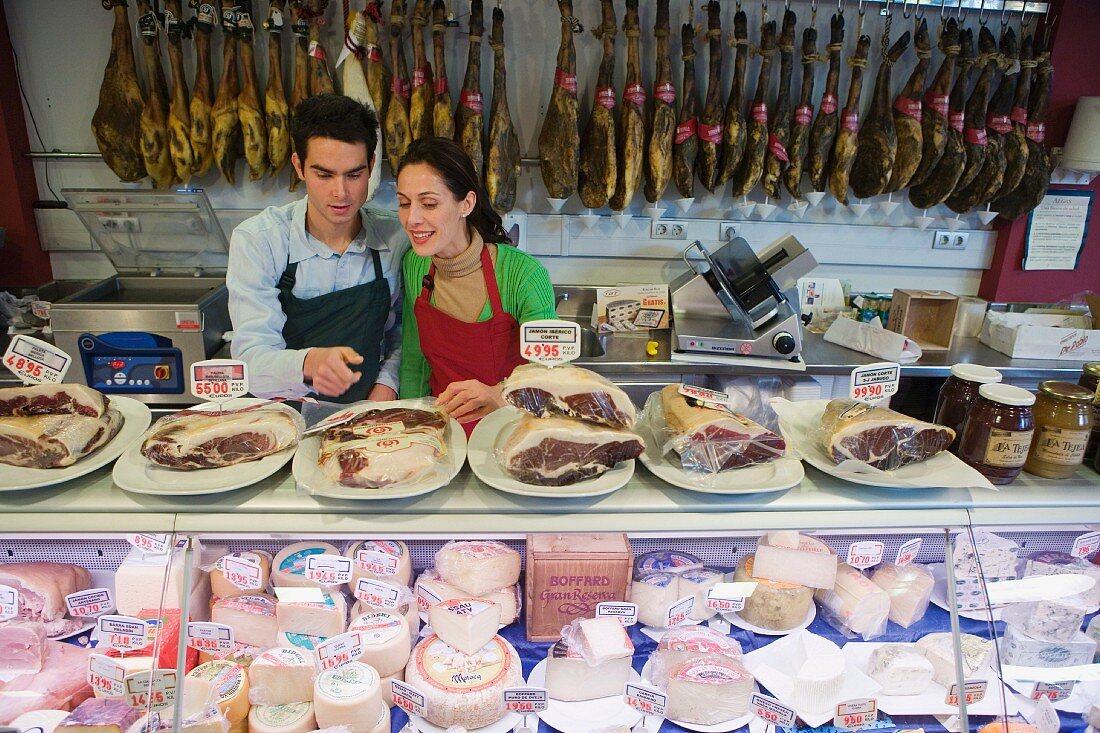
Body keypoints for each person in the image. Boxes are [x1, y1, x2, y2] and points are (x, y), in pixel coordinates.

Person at [227, 95, 408, 403]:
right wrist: (307, 364)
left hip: (369, 414)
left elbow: (404, 333)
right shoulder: (260, 240)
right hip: (287, 415)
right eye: (324, 175)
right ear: (299, 166)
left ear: (372, 165)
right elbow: (250, 360)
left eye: (354, 174)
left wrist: (388, 383)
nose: (341, 192)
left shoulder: (396, 237)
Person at [397, 137, 555, 428]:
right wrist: (411, 424)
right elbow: (414, 362)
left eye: (429, 203)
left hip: (508, 431)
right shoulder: (415, 265)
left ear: (466, 203)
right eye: (404, 204)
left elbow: (553, 375)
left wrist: (499, 394)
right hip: (442, 433)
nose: (412, 219)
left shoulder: (523, 274)